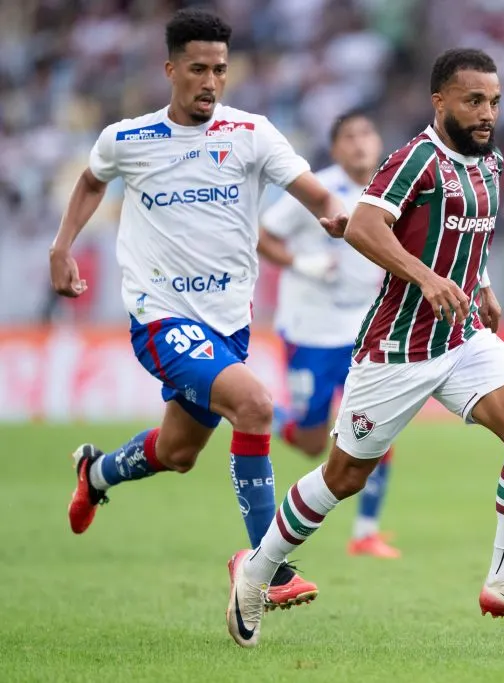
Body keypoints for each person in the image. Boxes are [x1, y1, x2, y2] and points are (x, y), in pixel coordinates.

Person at [225, 47, 504, 648]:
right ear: (441, 101)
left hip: (461, 337)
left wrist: (479, 284)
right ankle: (255, 570)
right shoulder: (415, 159)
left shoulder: (491, 162)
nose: (487, 114)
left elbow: (463, 233)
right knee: (343, 477)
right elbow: (363, 226)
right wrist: (427, 280)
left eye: (495, 102)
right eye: (474, 101)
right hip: (397, 349)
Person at [50, 8, 348, 610]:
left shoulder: (251, 133)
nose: (210, 81)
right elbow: (90, 181)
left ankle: (97, 473)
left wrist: (337, 215)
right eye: (198, 69)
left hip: (226, 324)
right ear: (170, 70)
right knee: (256, 405)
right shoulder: (128, 139)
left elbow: (314, 191)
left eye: (220, 70)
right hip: (160, 318)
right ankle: (269, 566)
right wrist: (62, 248)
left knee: (177, 453)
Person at [258, 109, 399, 559]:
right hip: (311, 329)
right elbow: (261, 234)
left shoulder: (391, 188)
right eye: (349, 137)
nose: (360, 144)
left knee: (377, 428)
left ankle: (366, 531)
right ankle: (267, 415)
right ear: (336, 149)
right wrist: (300, 264)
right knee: (313, 443)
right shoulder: (317, 190)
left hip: (365, 329)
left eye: (366, 134)